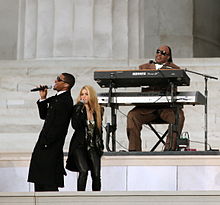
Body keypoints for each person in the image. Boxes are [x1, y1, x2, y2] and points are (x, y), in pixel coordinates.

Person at [127, 45, 185, 151]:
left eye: (163, 53)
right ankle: (134, 151)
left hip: (166, 108)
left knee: (179, 116)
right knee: (132, 115)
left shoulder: (174, 69)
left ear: (168, 57)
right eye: (158, 51)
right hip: (147, 108)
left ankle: (170, 149)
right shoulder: (144, 67)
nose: (159, 54)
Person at [28, 73, 75, 191]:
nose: (55, 81)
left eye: (59, 79)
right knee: (39, 180)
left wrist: (47, 142)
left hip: (51, 146)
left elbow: (59, 126)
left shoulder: (66, 100)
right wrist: (43, 98)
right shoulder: (57, 98)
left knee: (48, 181)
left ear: (66, 85)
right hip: (44, 143)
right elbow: (44, 115)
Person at [66, 85, 104, 191]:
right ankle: (80, 198)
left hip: (93, 146)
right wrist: (78, 107)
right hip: (79, 145)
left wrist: (100, 145)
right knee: (83, 171)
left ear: (91, 95)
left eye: (86, 94)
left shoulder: (98, 110)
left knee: (96, 175)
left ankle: (96, 199)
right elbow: (75, 125)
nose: (84, 96)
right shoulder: (77, 109)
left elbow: (99, 130)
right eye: (82, 94)